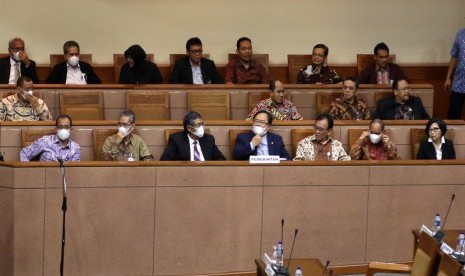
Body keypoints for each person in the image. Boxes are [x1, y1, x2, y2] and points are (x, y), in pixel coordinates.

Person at [160, 111, 226, 161]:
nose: (202, 127)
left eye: (202, 124)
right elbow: (164, 160)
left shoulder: (209, 139)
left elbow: (221, 159)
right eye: (198, 125)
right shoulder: (176, 140)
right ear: (189, 128)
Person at [445, 28, 465, 119]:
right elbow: (454, 56)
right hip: (459, 82)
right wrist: (448, 78)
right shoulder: (460, 34)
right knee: (453, 114)